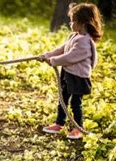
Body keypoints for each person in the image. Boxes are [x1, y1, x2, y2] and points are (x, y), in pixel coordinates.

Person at [40, 3, 104, 140]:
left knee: (76, 103)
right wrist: (47, 55)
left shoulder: (84, 42)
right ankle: (59, 123)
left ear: (83, 23)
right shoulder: (74, 36)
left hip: (78, 77)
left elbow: (70, 57)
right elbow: (61, 49)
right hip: (68, 74)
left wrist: (53, 61)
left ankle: (78, 127)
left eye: (73, 21)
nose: (70, 23)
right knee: (62, 99)